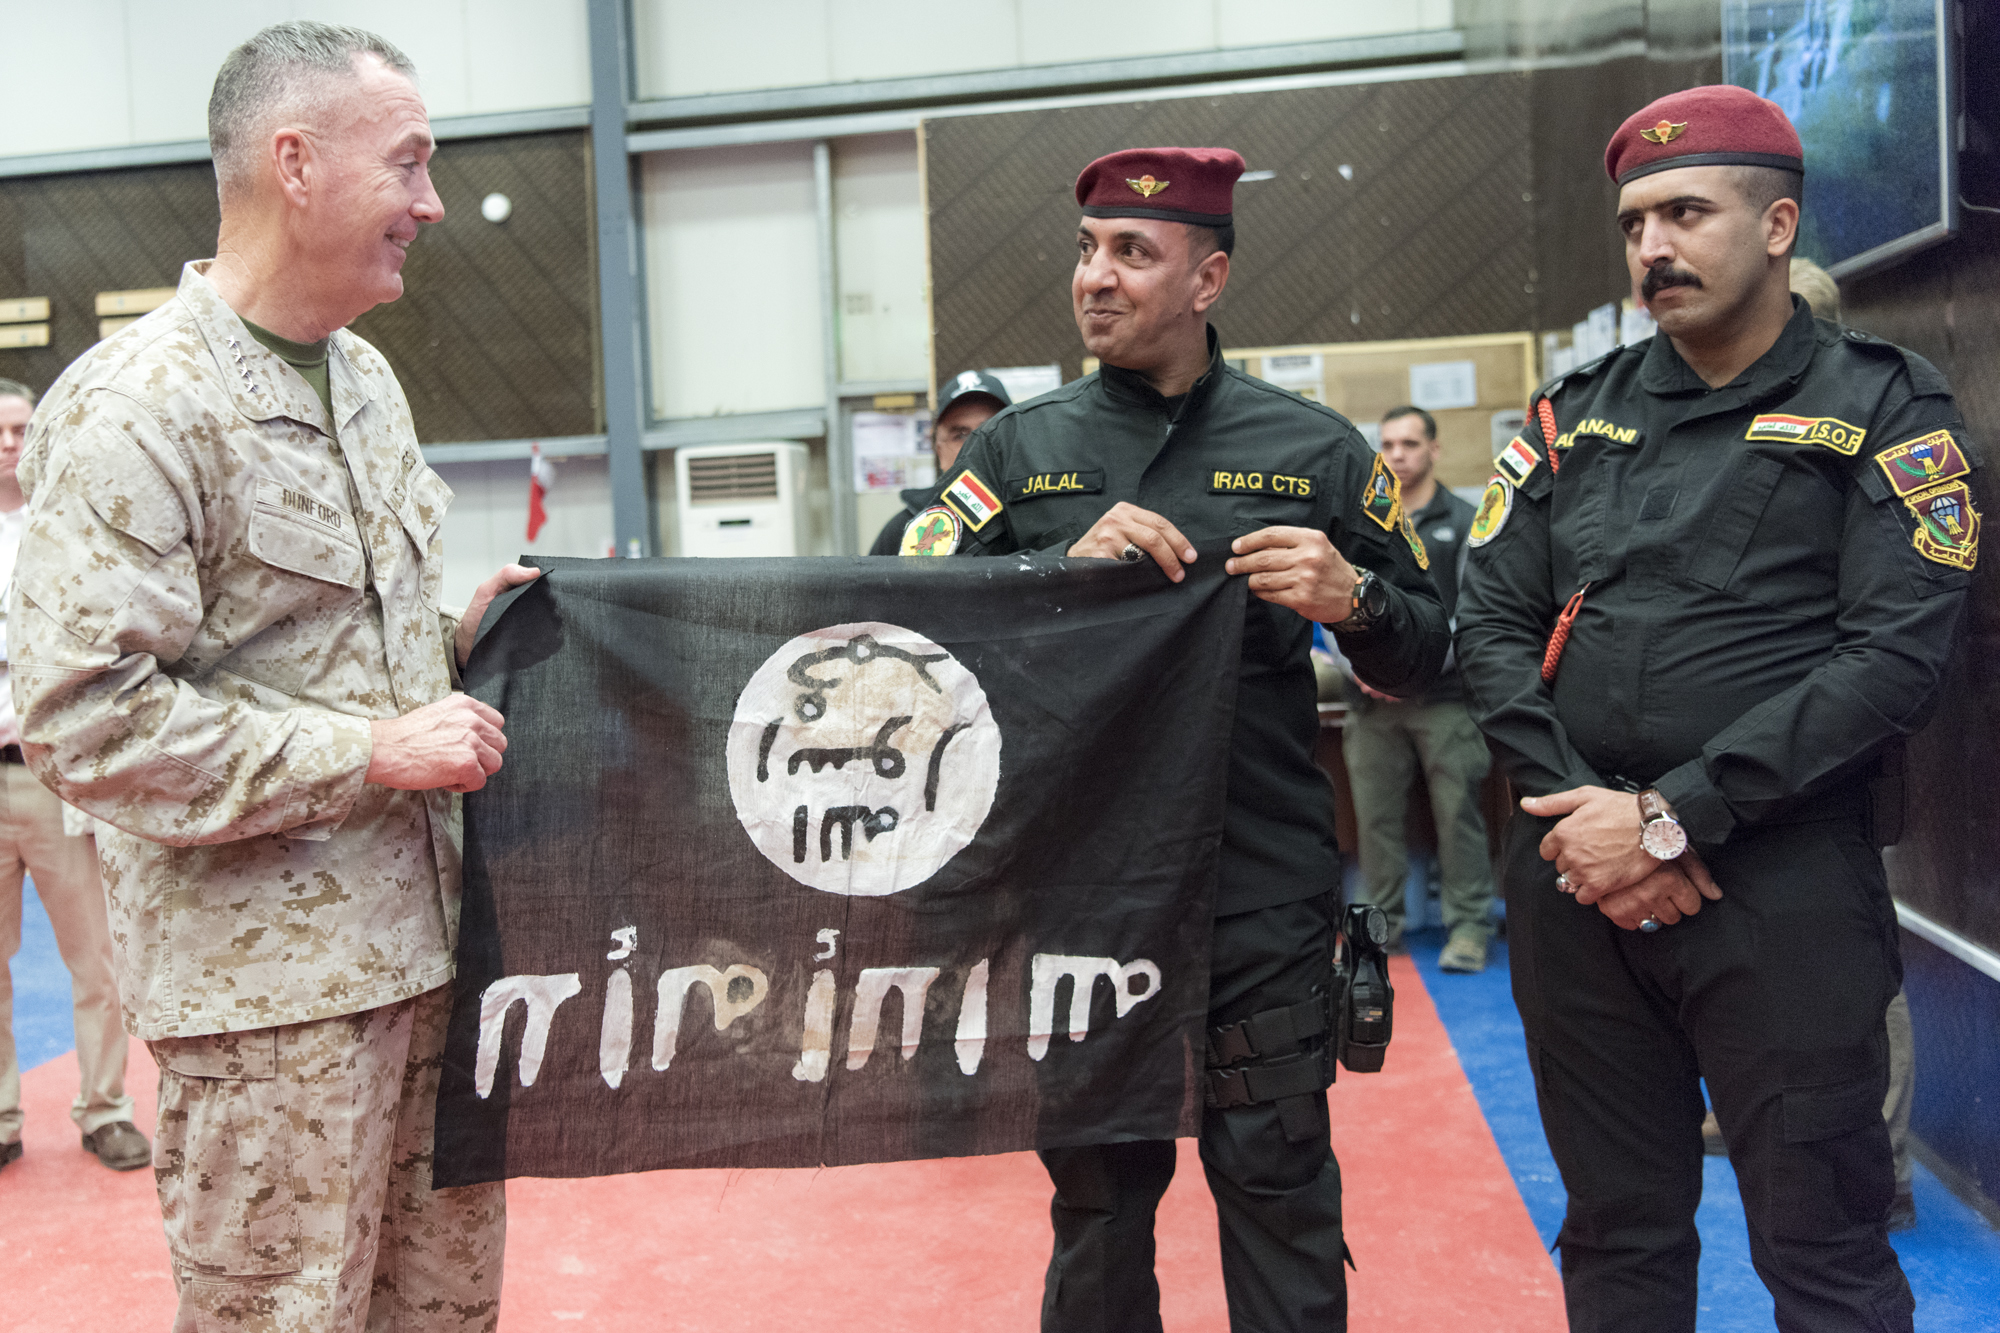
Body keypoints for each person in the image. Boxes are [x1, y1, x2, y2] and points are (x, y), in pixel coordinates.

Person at [9, 22, 538, 1329]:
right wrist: (364, 751)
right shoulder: (138, 406)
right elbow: (82, 722)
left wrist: (458, 643)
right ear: (294, 163)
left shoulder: (365, 382)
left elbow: (341, 647)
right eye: (408, 166)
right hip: (271, 1023)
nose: (429, 203)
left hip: (431, 968)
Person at [1457, 85, 1974, 1332]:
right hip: (1575, 882)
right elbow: (1485, 623)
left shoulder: (1882, 406)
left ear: (1778, 224)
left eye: (1685, 213)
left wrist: (1673, 818)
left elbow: (1891, 658)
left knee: (1824, 1248)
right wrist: (1595, 825)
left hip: (1779, 886)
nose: (1651, 248)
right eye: (1635, 222)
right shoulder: (1568, 414)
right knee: (1615, 1238)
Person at [908, 146, 1448, 1332]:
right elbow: (907, 616)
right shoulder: (1015, 453)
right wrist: (1049, 574)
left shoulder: (1316, 452)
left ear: (1206, 281)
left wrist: (1349, 596)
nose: (1093, 278)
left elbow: (1424, 650)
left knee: (1276, 1184)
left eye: (1130, 254)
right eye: (1086, 250)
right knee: (1097, 1204)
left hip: (1256, 888)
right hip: (1079, 890)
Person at [1691, 254, 1920, 1234]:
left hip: (1832, 756)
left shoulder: (1876, 423)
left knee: (1859, 966)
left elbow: (1879, 639)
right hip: (1738, 758)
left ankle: (1886, 1154)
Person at [0, 379, 147, 1175]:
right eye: (0, 430)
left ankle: (106, 1108)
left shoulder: (70, 530)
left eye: (22, 428)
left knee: (95, 957)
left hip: (55, 775)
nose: (11, 443)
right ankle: (0, 1114)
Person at [1339, 405, 1496, 972]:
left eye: (1409, 443)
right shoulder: (1365, 522)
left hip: (1444, 700)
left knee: (1459, 818)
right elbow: (1336, 604)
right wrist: (1366, 668)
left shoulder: (1468, 519)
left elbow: (1476, 615)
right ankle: (1381, 932)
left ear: (1434, 449)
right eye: (1388, 445)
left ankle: (1470, 929)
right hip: (1369, 700)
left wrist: (1412, 670)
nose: (1398, 455)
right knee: (1373, 822)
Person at [869, 370, 1011, 554]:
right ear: (939, 450)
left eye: (991, 430)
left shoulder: (1041, 515)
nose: (976, 446)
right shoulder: (903, 532)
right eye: (960, 435)